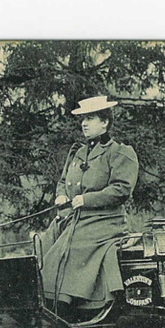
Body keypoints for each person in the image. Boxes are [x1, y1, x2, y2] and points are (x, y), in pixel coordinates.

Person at [40, 95, 139, 316]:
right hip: (76, 219)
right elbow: (63, 182)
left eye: (91, 118)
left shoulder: (120, 152)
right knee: (44, 241)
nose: (84, 123)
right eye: (83, 118)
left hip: (105, 221)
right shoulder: (78, 153)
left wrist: (87, 200)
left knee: (73, 245)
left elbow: (121, 189)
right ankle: (45, 300)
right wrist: (61, 196)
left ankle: (67, 303)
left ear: (105, 122)